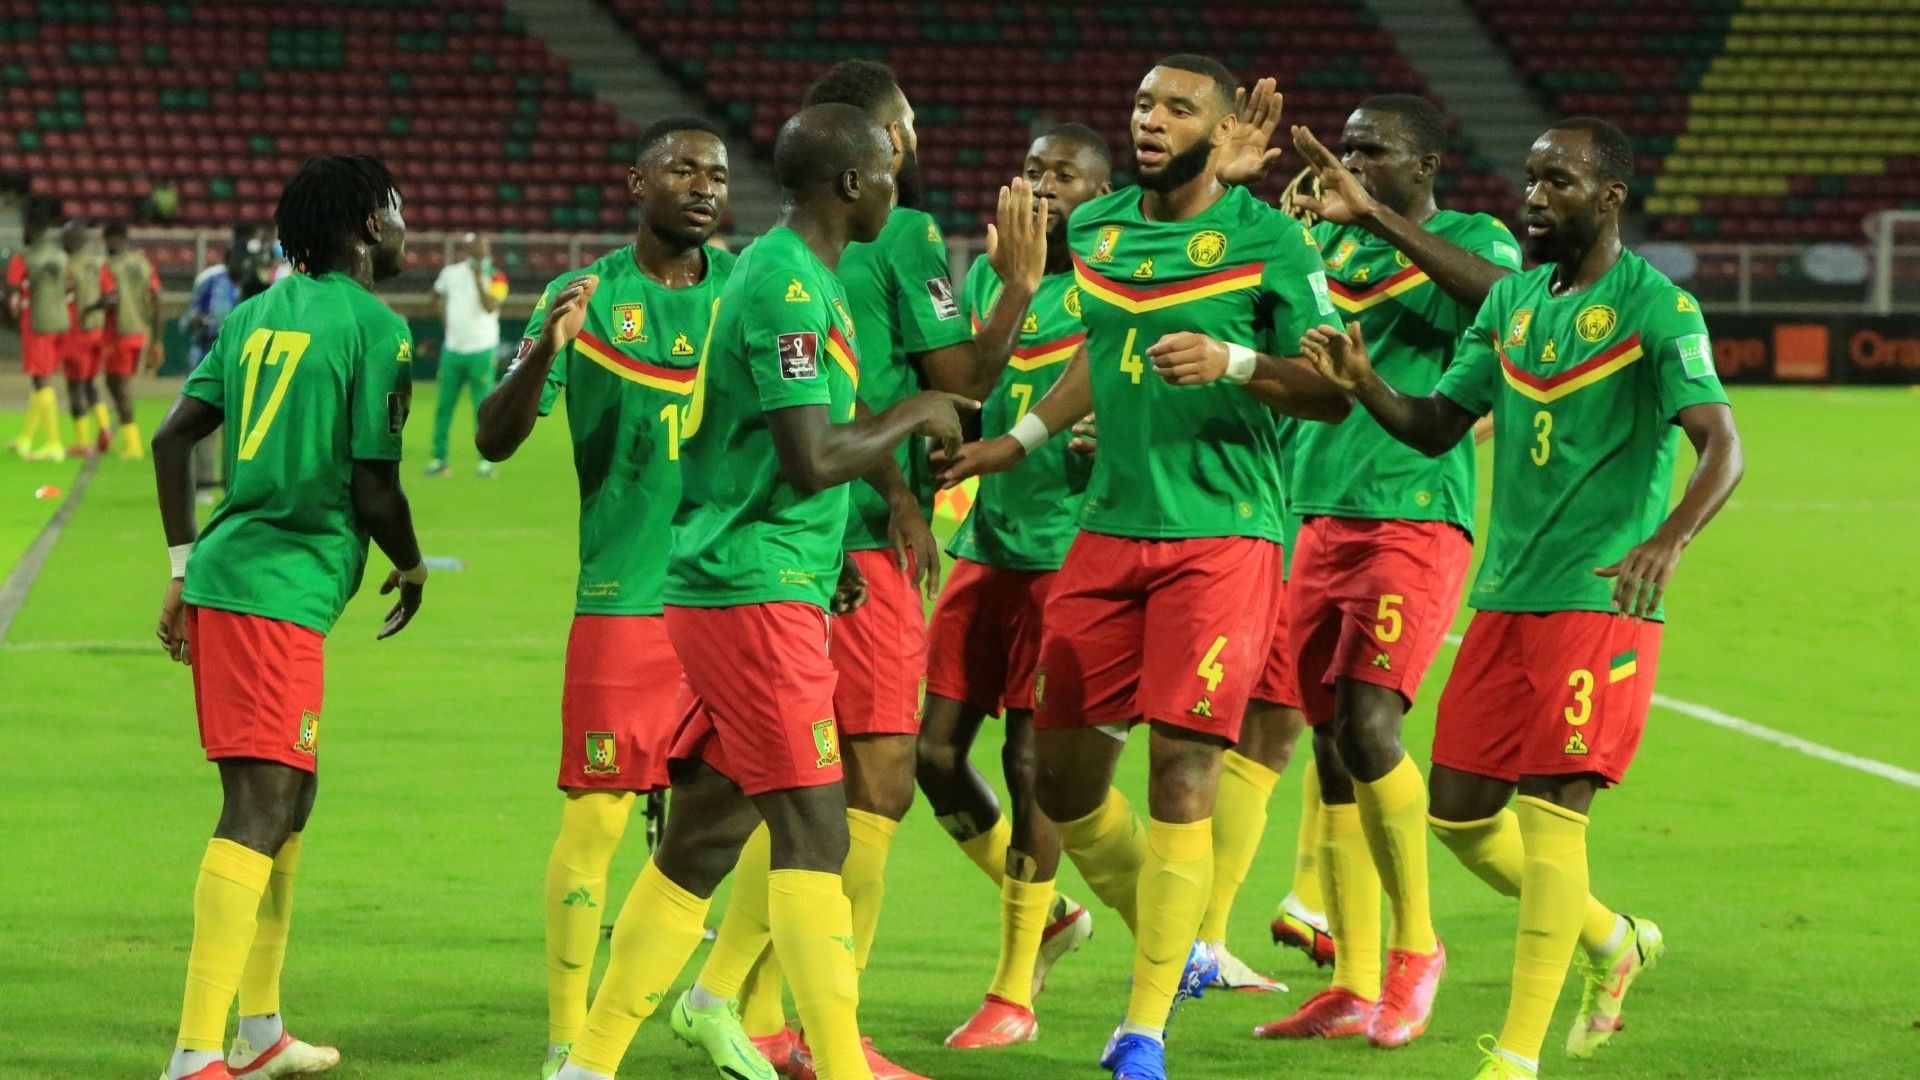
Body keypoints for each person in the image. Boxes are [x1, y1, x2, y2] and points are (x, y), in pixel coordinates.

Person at [1299, 117, 1744, 1079]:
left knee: (1553, 818)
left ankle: (1514, 1054)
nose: (1536, 197)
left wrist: (1667, 538)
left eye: (1561, 182)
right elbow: (1431, 426)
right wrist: (1367, 380)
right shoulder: (1509, 307)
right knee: (1458, 815)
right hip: (1505, 597)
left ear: (1612, 197)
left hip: (1600, 596)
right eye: (1531, 179)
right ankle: (1610, 939)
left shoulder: (1658, 308)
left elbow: (1723, 442)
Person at [938, 55, 1349, 1080]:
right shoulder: (1101, 228)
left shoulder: (1270, 241)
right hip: (1109, 531)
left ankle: (1144, 1025)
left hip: (1223, 536)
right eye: (1142, 104)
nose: (1150, 120)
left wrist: (1238, 363)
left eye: (1177, 108)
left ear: (1220, 130)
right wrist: (1022, 438)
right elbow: (1096, 348)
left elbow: (1331, 388)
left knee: (1181, 769)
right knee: (1066, 783)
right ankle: (1177, 940)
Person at [550, 102, 971, 1080]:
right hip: (748, 593)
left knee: (705, 835)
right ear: (855, 184)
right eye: (888, 173)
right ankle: (841, 1068)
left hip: (756, 583)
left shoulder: (791, 274)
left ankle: (587, 1064)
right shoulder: (784, 284)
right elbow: (812, 452)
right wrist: (918, 409)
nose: (899, 189)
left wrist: (827, 570)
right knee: (816, 829)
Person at [716, 60, 1055, 1080]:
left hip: (799, 532)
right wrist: (1020, 292)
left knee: (782, 783)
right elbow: (964, 383)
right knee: (873, 782)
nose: (910, 148)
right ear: (870, 147)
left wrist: (904, 488)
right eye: (902, 130)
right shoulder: (898, 234)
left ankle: (746, 1006)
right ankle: (799, 1022)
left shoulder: (776, 255)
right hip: (846, 540)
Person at [1198, 94, 1524, 1045]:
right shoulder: (1321, 255)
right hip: (1310, 516)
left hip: (1414, 514)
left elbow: (1501, 304)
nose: (1348, 165)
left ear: (1423, 167)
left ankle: (1417, 950)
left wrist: (1373, 215)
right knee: (1335, 752)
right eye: (1344, 151)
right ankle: (1351, 979)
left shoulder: (1477, 237)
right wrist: (1230, 190)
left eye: (1371, 152)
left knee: (1373, 725)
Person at [148, 154, 427, 1080]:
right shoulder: (375, 328)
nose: (404, 224)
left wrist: (185, 566)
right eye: (395, 208)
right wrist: (413, 563)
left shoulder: (253, 313)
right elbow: (375, 486)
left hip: (247, 582)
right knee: (259, 805)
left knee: (291, 798)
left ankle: (259, 1032)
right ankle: (194, 1052)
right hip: (273, 591)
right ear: (361, 226)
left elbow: (174, 435)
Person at [471, 117, 737, 1080]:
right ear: (636, 182)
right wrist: (547, 346)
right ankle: (566, 1041)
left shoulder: (747, 294)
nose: (704, 187)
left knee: (742, 818)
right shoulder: (581, 295)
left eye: (717, 174)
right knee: (597, 824)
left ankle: (719, 1010)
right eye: (682, 169)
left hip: (731, 598)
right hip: (624, 602)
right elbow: (493, 439)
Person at [919, 123, 1108, 1050]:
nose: (1041, 187)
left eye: (1063, 175)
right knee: (931, 754)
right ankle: (1054, 913)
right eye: (1031, 170)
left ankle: (1012, 991)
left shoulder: (1120, 284)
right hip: (988, 544)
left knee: (1036, 764)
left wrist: (1108, 432)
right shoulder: (994, 277)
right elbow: (966, 394)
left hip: (1070, 555)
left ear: (1100, 194)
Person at [428, 232, 509, 477]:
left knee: (483, 408)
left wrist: (477, 279)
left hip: (482, 350)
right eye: (475, 247)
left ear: (489, 250)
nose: (480, 251)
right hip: (453, 350)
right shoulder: (451, 273)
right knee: (444, 407)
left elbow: (490, 306)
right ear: (468, 250)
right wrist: (446, 322)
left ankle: (485, 461)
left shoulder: (497, 277)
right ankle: (438, 459)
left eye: (483, 247)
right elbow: (434, 296)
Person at [182, 242, 250, 490]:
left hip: (244, 364)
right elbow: (187, 320)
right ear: (227, 258)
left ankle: (235, 484)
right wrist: (198, 321)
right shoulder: (209, 281)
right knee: (204, 422)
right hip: (206, 359)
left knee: (240, 425)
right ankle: (203, 483)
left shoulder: (257, 286)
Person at [7, 209, 69, 460]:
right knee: (40, 380)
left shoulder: (24, 258)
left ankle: (54, 444)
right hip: (61, 322)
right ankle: (26, 439)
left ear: (32, 229)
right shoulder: (62, 256)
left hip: (37, 324)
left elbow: (12, 298)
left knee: (41, 380)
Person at [105, 222, 165, 459]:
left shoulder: (110, 267)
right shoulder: (144, 265)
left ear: (113, 239)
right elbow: (158, 300)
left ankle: (133, 443)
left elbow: (109, 299)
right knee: (119, 383)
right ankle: (126, 438)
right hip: (141, 332)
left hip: (119, 332)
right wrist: (157, 340)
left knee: (117, 385)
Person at [59, 221, 115, 454]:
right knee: (91, 384)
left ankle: (82, 443)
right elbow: (111, 295)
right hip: (97, 333)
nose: (61, 242)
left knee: (75, 386)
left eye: (65, 238)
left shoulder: (68, 266)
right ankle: (105, 428)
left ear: (73, 240)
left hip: (75, 333)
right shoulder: (99, 264)